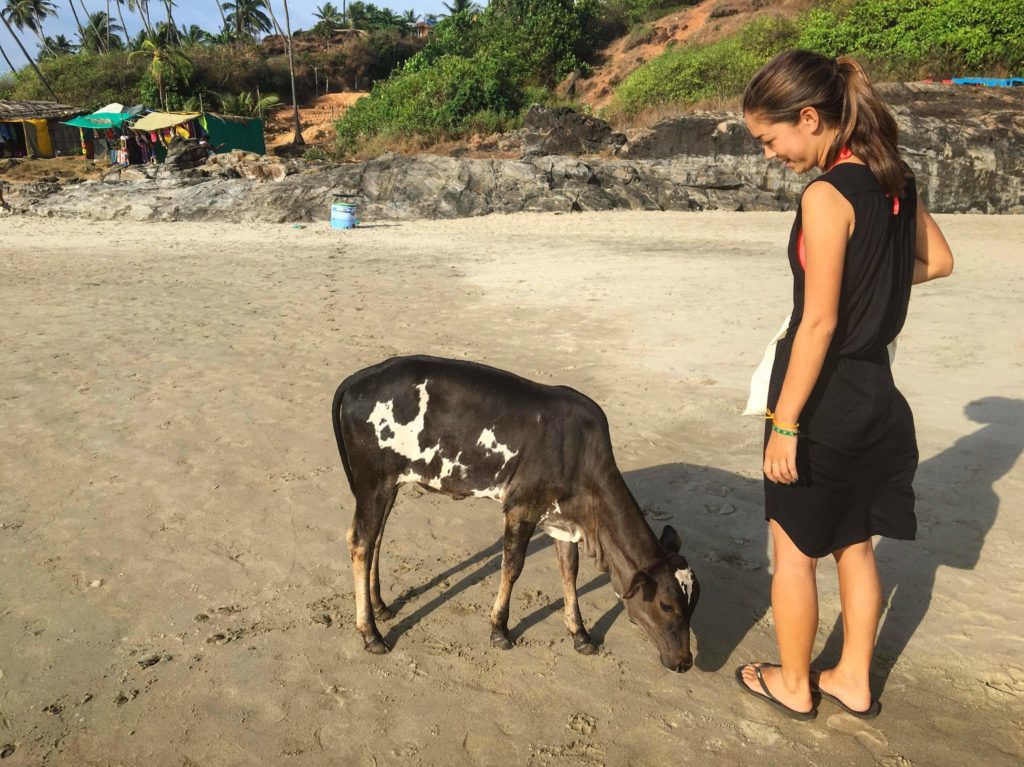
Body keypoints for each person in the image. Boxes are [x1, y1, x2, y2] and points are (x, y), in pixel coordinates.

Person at [735, 50, 954, 720]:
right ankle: (853, 678)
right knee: (853, 542)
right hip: (877, 395)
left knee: (794, 550)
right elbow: (937, 262)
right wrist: (874, 287)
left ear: (809, 117)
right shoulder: (894, 178)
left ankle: (795, 682)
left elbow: (819, 322)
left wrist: (786, 422)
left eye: (771, 140)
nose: (771, 154)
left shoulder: (827, 196)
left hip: (823, 399)